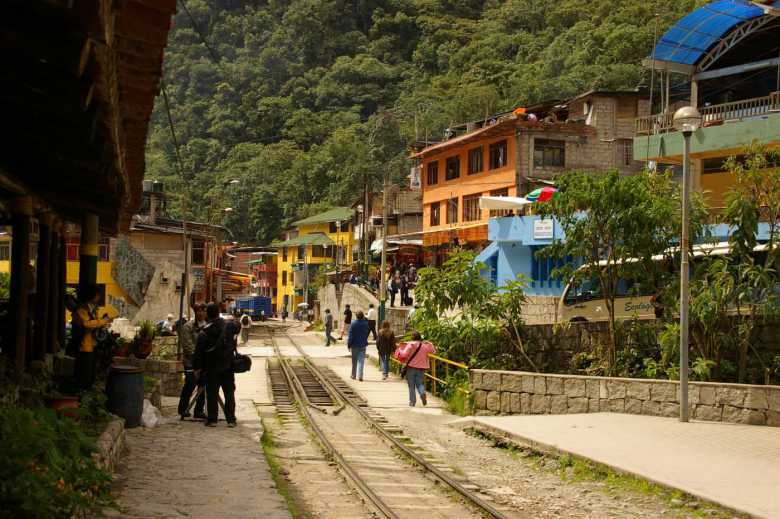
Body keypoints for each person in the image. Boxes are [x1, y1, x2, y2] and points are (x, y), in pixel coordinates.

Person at [193, 303, 237, 427]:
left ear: (208, 314)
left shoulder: (205, 331)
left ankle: (212, 419)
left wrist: (197, 368)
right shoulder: (228, 326)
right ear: (218, 312)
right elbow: (233, 344)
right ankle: (231, 420)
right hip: (228, 366)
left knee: (212, 393)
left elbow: (199, 352)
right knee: (229, 393)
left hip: (212, 367)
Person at [71, 285, 110, 391]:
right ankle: (80, 392)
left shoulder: (91, 308)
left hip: (91, 344)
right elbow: (86, 324)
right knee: (84, 372)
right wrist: (102, 321)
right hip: (84, 345)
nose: (99, 298)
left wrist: (101, 323)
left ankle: (86, 391)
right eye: (98, 295)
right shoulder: (82, 309)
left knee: (90, 372)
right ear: (93, 296)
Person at [178, 303, 207, 419]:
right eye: (198, 311)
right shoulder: (188, 327)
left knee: (202, 386)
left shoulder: (208, 325)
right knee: (190, 385)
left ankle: (199, 411)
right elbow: (187, 346)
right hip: (191, 362)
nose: (201, 313)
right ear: (195, 312)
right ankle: (183, 409)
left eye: (203, 310)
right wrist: (199, 358)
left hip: (204, 363)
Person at [396, 331, 435, 407]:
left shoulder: (411, 345)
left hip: (411, 367)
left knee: (411, 385)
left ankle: (412, 402)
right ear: (420, 337)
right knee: (420, 383)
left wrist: (400, 349)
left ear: (412, 337)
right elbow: (433, 351)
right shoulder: (424, 346)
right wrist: (430, 343)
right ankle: (422, 393)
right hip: (421, 368)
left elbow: (404, 354)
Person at [347, 311, 370, 381]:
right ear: (363, 316)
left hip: (354, 345)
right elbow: (366, 333)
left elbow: (350, 336)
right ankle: (360, 376)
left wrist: (349, 344)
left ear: (356, 316)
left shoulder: (353, 324)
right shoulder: (366, 324)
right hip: (363, 344)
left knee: (354, 361)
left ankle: (353, 375)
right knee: (361, 360)